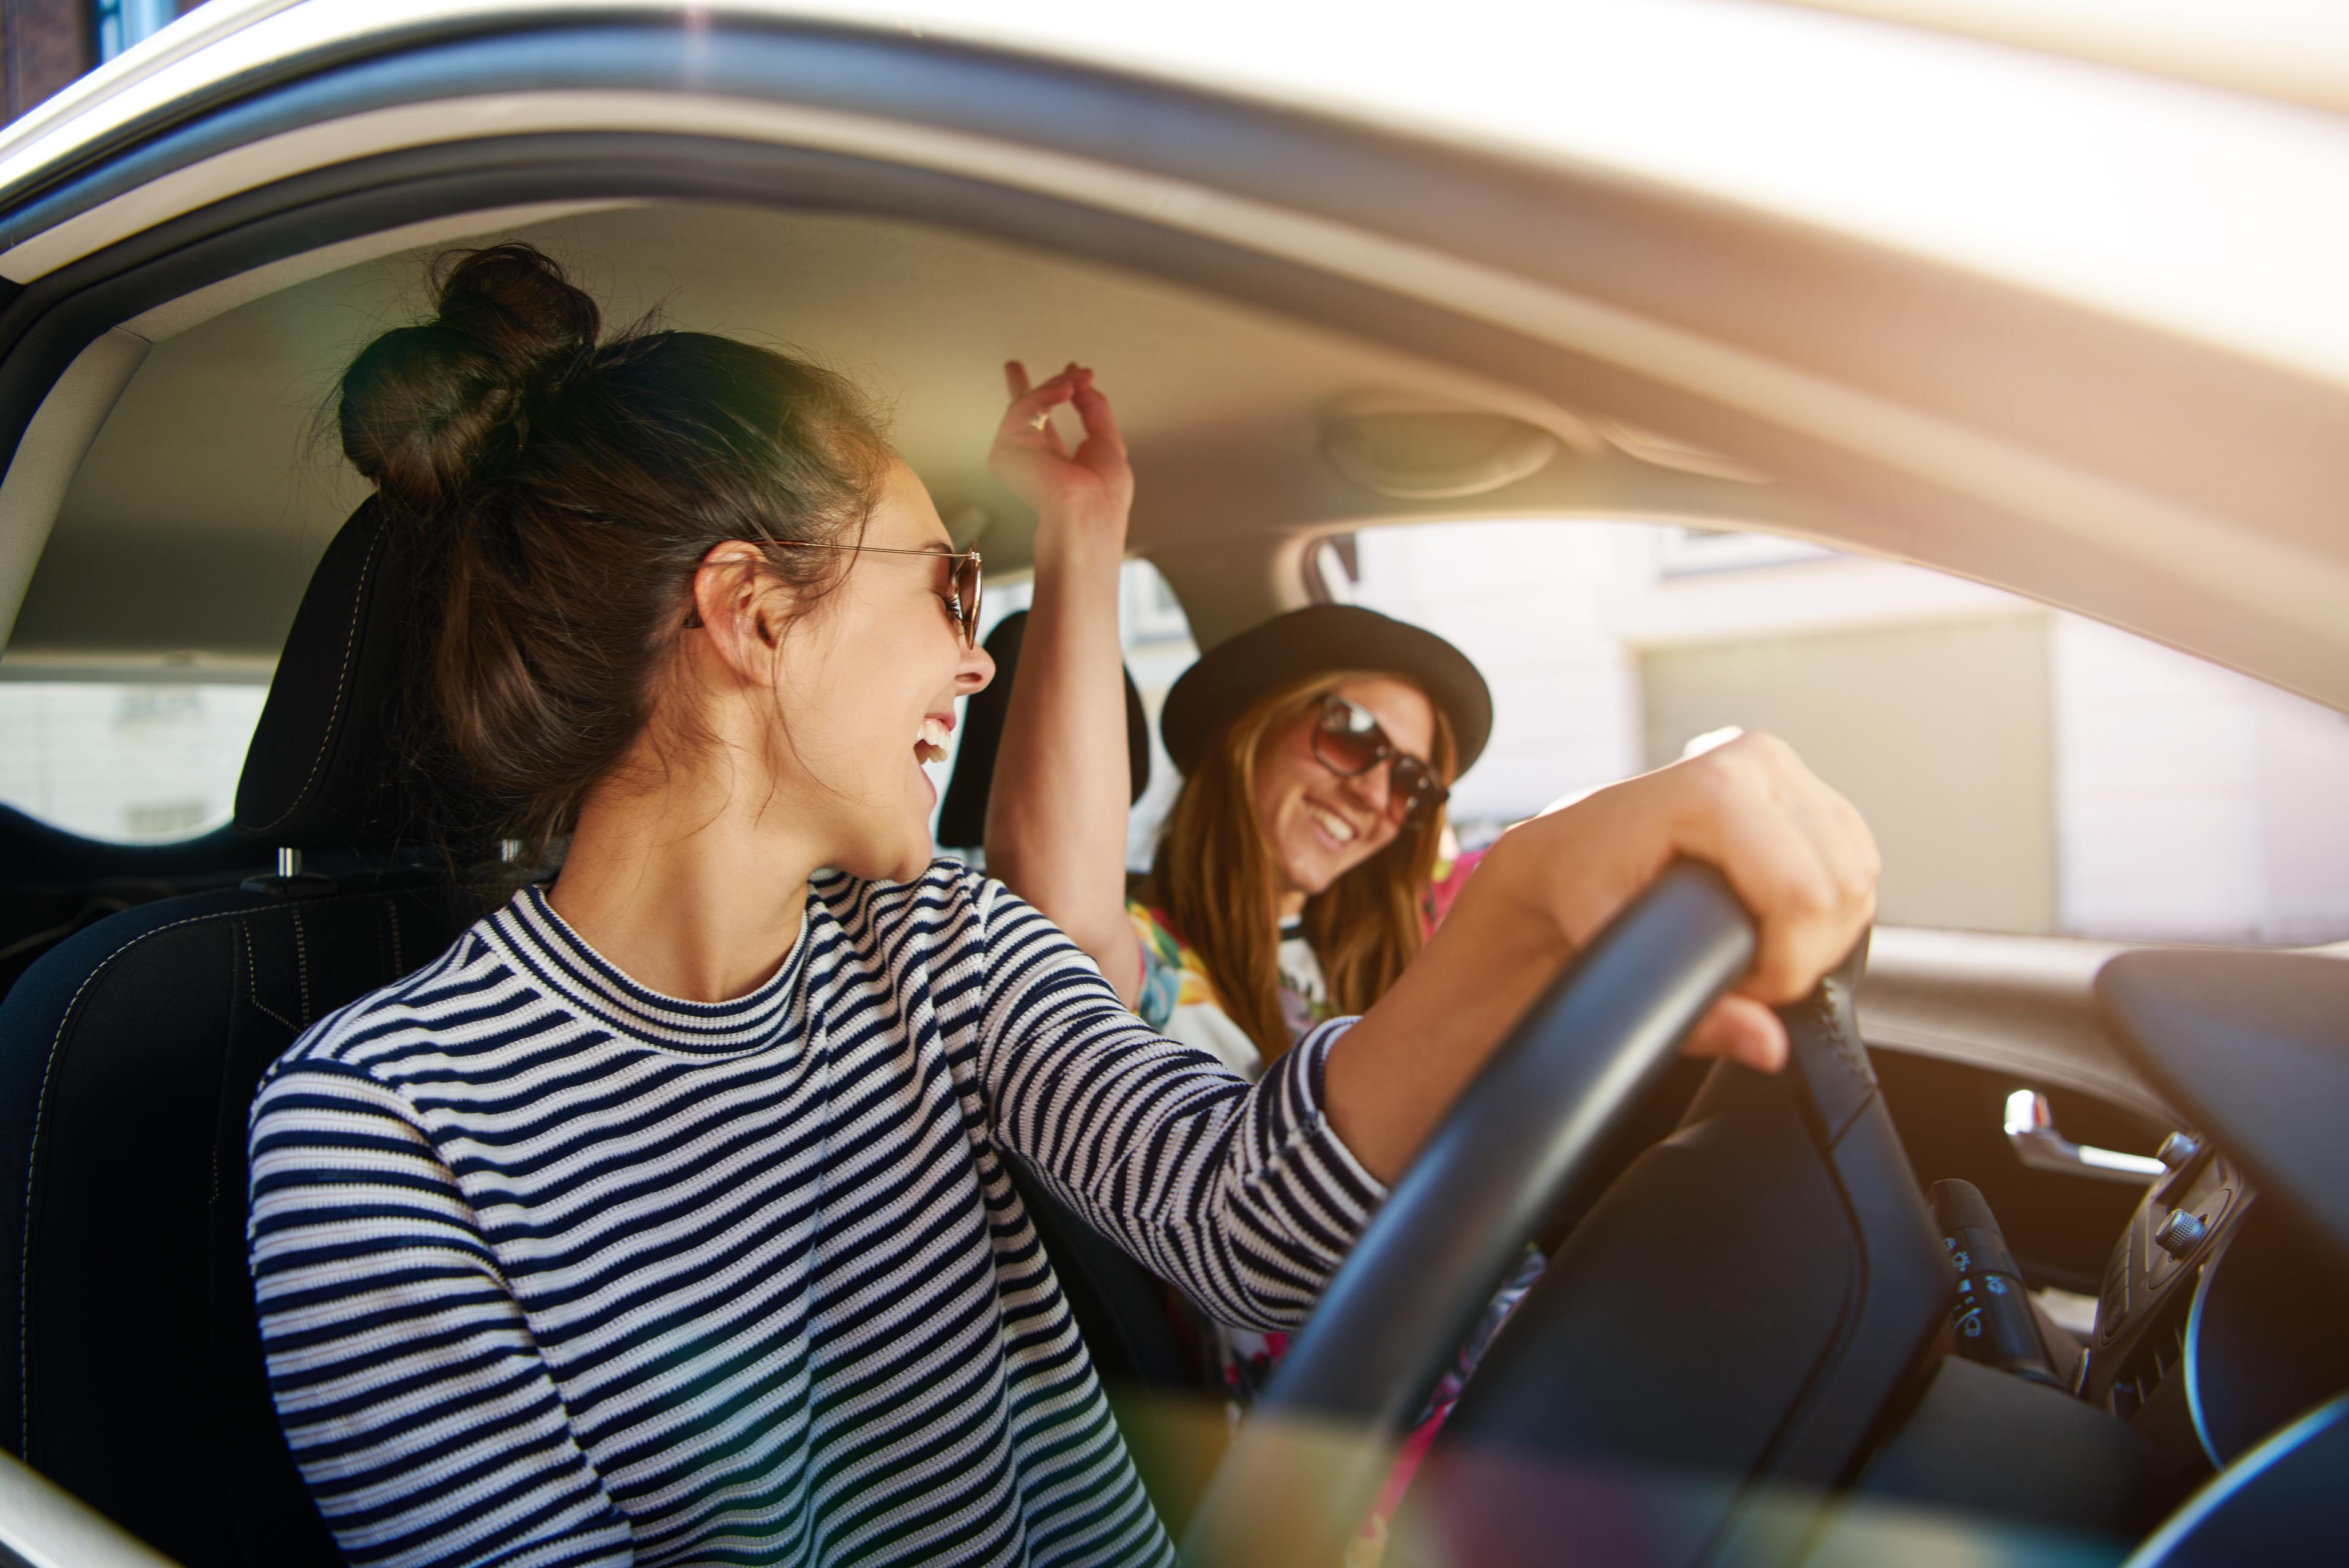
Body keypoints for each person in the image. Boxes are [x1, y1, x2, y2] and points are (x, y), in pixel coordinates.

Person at [247, 247, 1877, 1568]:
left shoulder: (934, 941)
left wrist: (1527, 909)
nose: (975, 653)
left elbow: (1246, 1222)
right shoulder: (374, 1134)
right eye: (950, 585)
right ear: (751, 613)